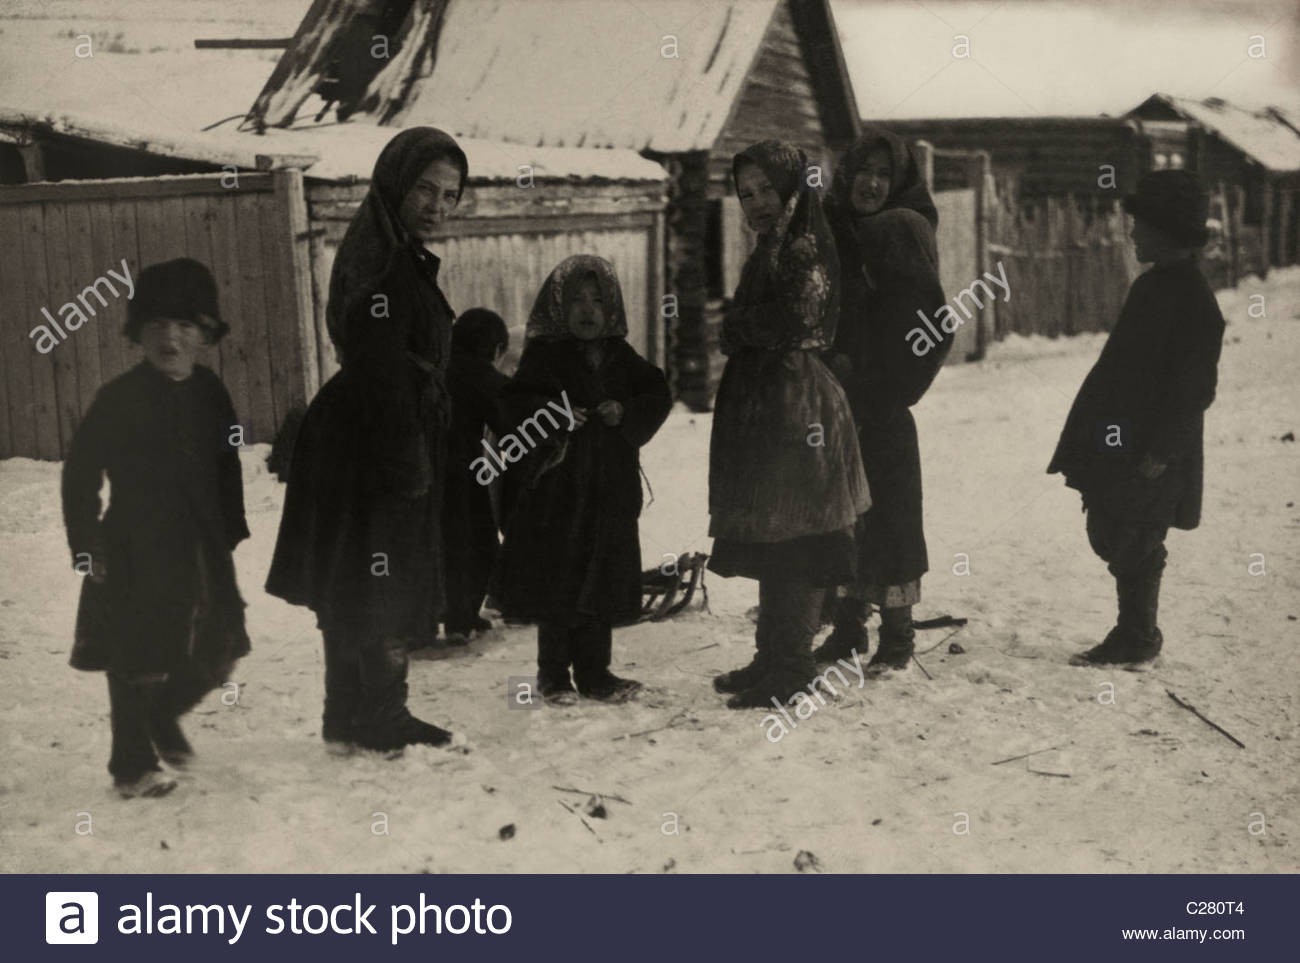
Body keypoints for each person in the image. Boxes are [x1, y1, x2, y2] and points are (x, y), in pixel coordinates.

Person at [265, 127, 466, 752]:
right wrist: (408, 462)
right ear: (394, 184)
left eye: (450, 194)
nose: (436, 204)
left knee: (356, 578)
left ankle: (347, 714)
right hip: (375, 436)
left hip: (361, 430)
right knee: (383, 576)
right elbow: (381, 369)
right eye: (424, 189)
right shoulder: (385, 265)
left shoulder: (387, 250)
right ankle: (380, 715)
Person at [62, 257, 250, 798]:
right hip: (133, 547)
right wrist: (86, 539)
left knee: (221, 646)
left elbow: (227, 458)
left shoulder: (210, 392)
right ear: (138, 332)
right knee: (136, 656)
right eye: (158, 325)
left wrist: (230, 522)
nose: (171, 337)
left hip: (200, 541)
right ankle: (132, 765)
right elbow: (80, 471)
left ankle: (163, 717)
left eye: (186, 325)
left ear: (206, 333)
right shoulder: (119, 399)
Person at [709, 140, 871, 709]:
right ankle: (771, 656)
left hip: (798, 408)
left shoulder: (804, 246)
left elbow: (801, 322)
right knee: (773, 536)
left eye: (767, 191)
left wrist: (736, 327)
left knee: (797, 540)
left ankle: (794, 665)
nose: (755, 203)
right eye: (745, 193)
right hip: (769, 404)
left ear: (792, 190)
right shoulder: (772, 247)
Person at [1048, 170, 1225, 666]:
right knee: (1111, 526)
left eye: (1140, 224)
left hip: (1151, 446)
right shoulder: (1153, 287)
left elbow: (1194, 391)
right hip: (1119, 438)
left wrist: (1161, 451)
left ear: (1168, 231)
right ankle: (1136, 631)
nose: (1131, 233)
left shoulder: (1194, 301)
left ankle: (1137, 635)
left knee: (1136, 533)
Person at [492, 255, 672, 705]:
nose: (587, 310)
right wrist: (554, 416)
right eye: (575, 300)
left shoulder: (619, 356)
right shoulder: (545, 357)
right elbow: (514, 406)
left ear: (612, 307)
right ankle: (553, 674)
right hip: (558, 495)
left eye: (597, 299)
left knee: (602, 577)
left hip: (610, 491)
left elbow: (657, 390)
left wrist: (624, 412)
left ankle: (595, 672)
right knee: (560, 578)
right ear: (556, 307)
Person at [816, 127, 950, 676]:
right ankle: (847, 629)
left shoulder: (901, 230)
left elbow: (931, 328)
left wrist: (886, 389)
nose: (870, 184)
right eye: (863, 171)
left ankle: (897, 636)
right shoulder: (832, 229)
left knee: (890, 517)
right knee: (840, 516)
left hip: (881, 408)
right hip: (833, 403)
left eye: (883, 175)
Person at [442, 308, 511, 643]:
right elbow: (511, 414)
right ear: (495, 349)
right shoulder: (480, 374)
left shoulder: (441, 365)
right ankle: (460, 617)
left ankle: (433, 616)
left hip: (422, 470)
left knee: (439, 543)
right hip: (462, 472)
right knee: (478, 543)